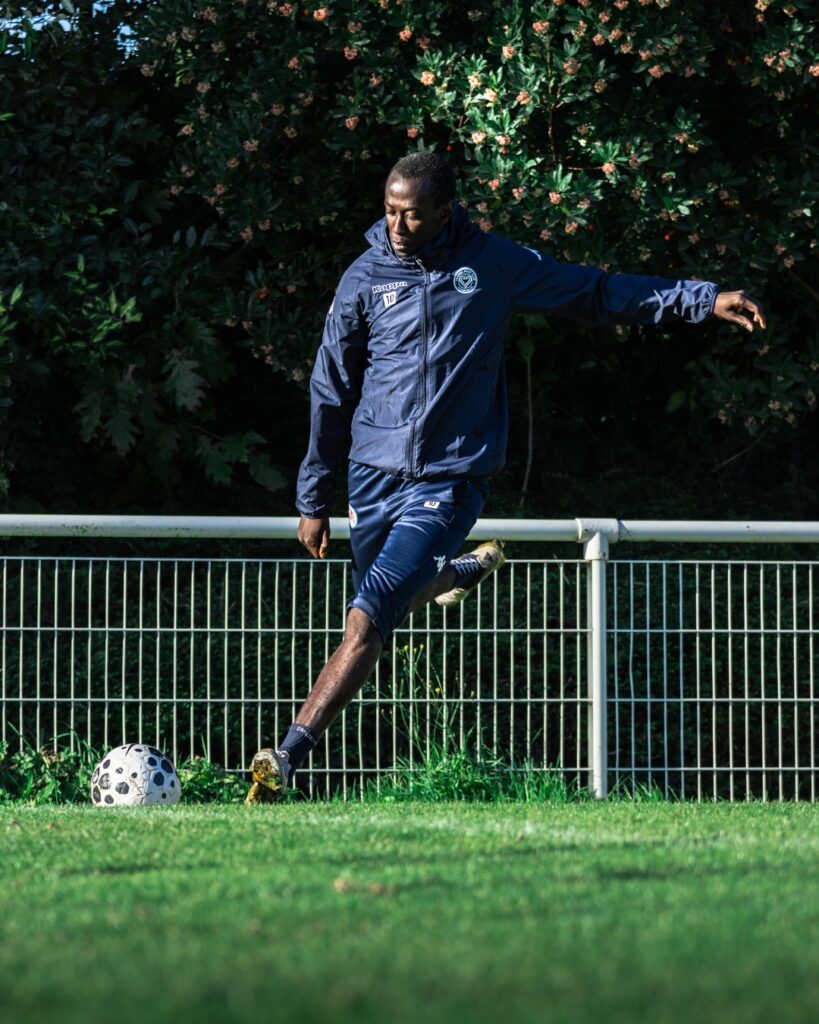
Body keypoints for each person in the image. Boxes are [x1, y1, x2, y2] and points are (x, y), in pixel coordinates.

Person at [244, 151, 766, 803]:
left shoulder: (490, 265)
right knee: (386, 608)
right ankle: (458, 573)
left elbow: (596, 291)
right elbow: (330, 388)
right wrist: (314, 497)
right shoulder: (363, 276)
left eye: (411, 213)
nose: (398, 224)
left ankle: (287, 755)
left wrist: (700, 299)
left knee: (368, 615)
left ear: (444, 210)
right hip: (368, 477)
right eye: (388, 209)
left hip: (450, 478)